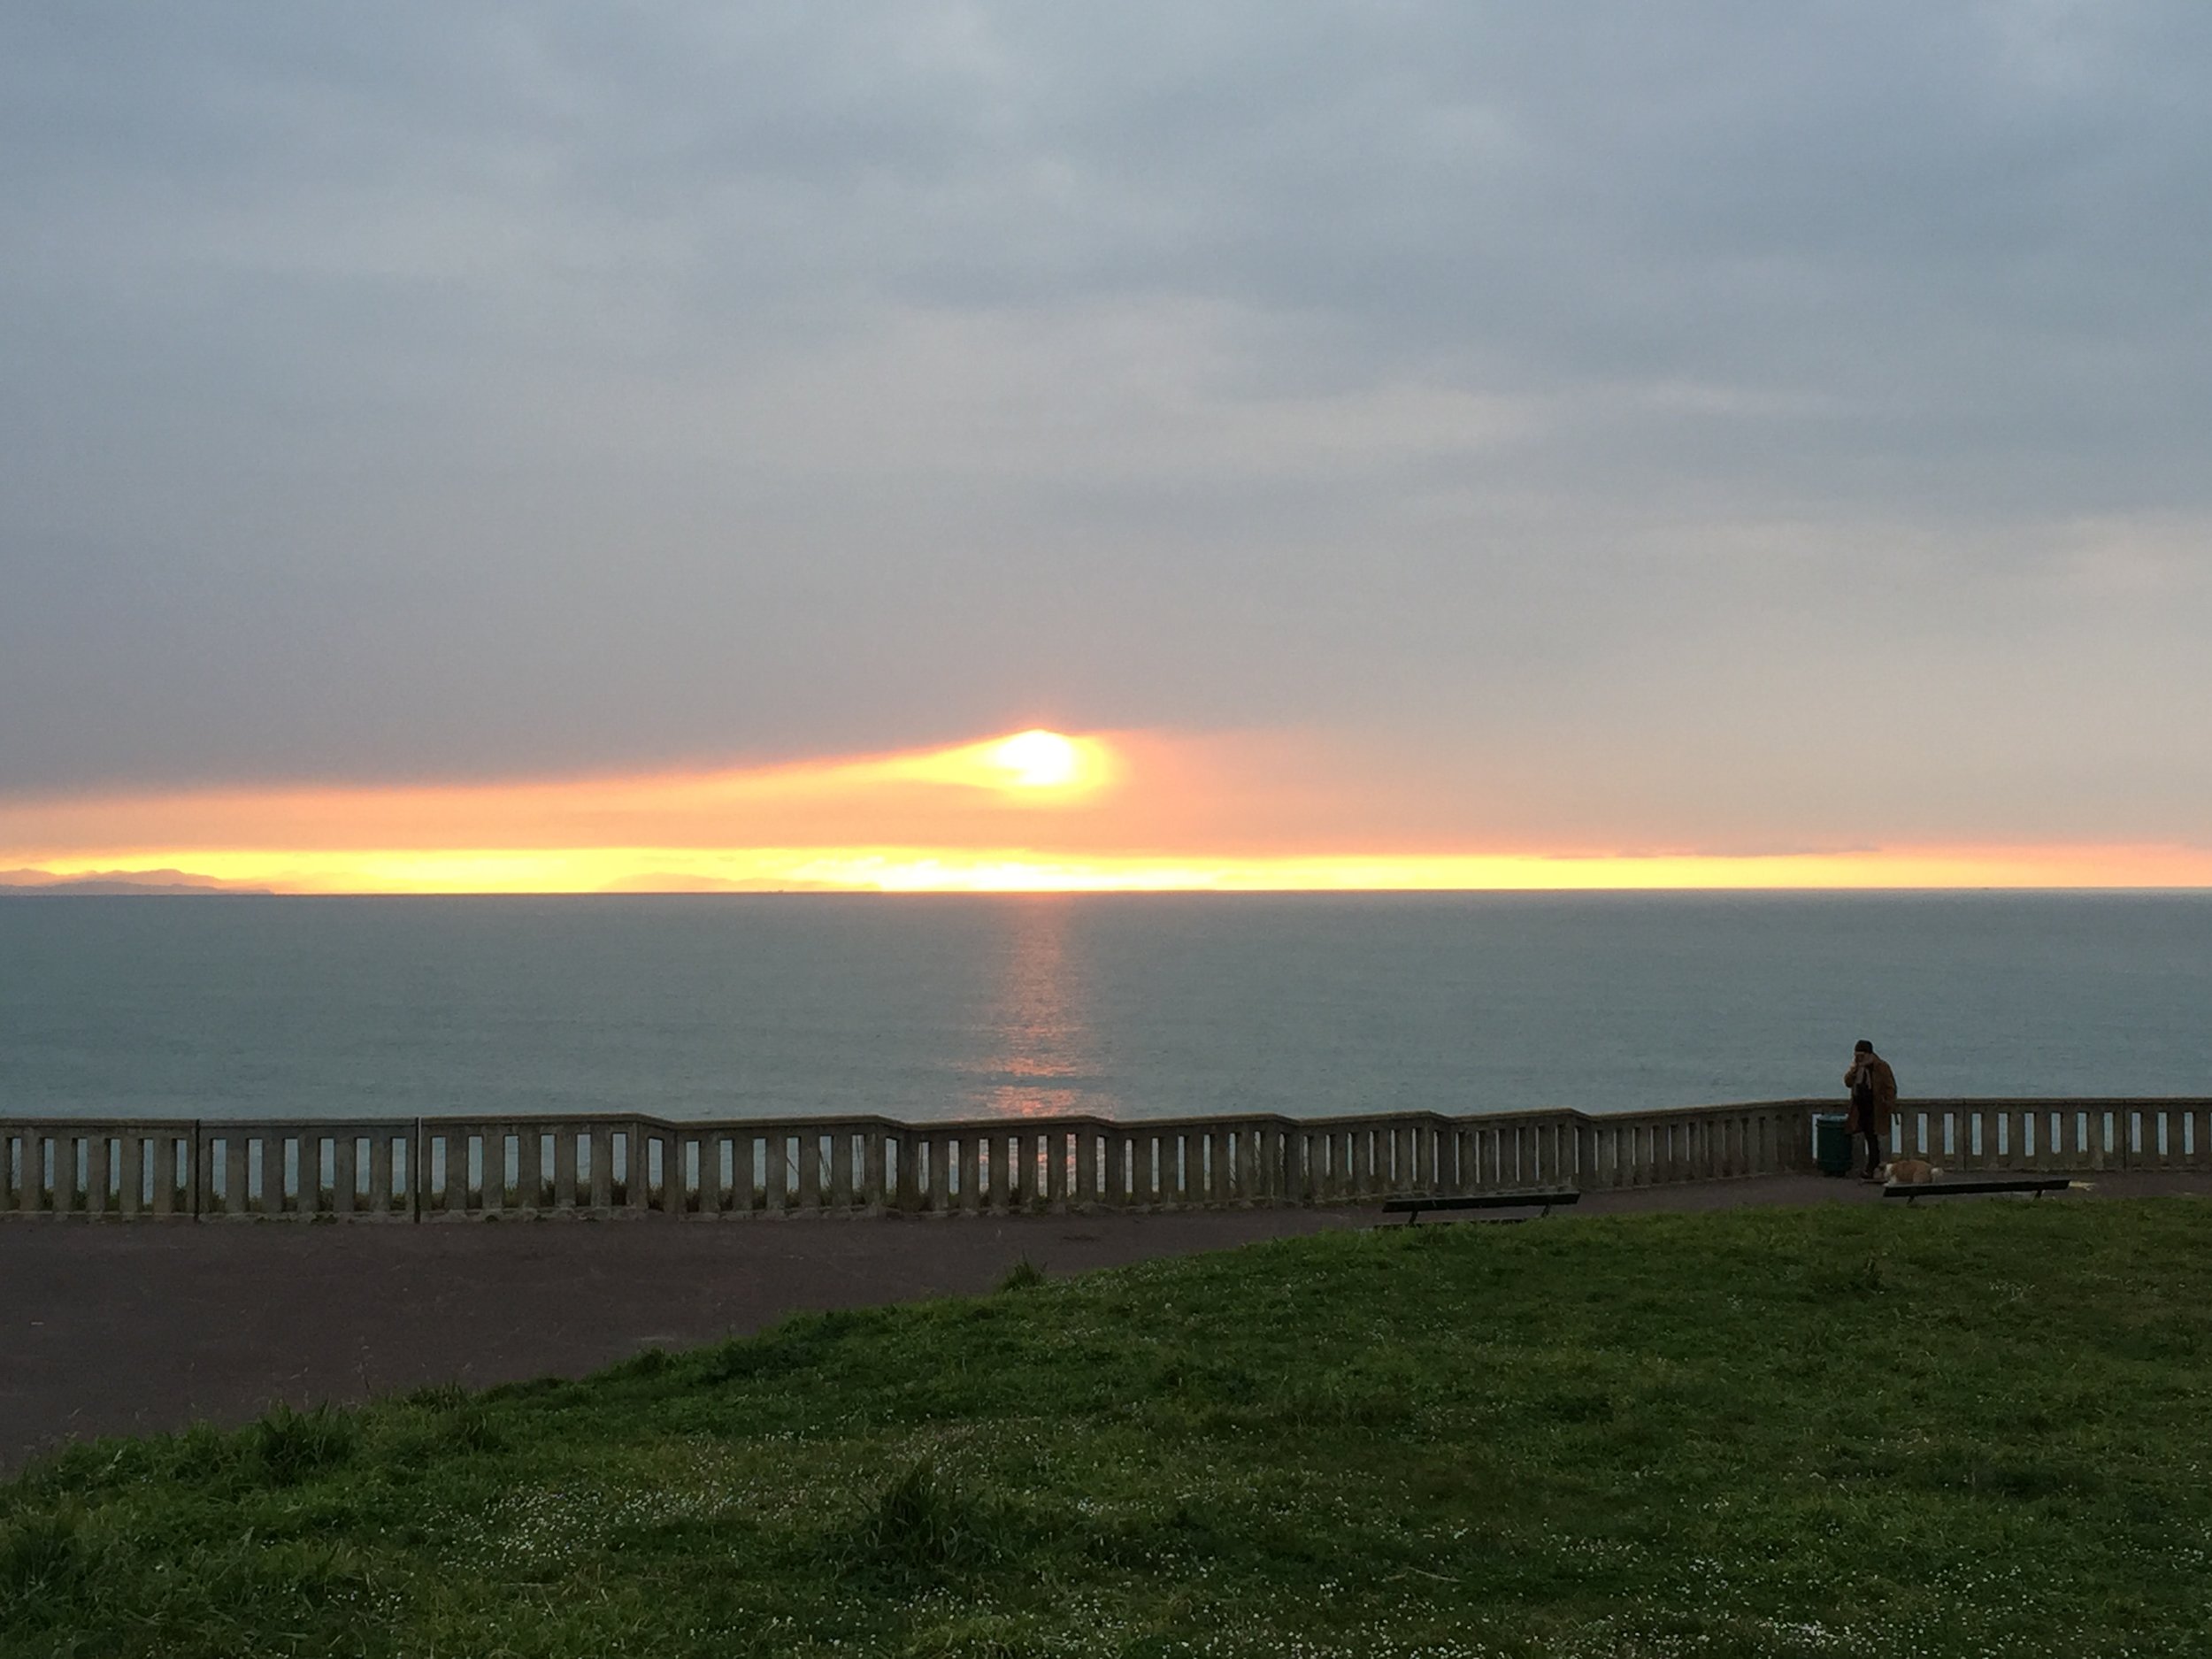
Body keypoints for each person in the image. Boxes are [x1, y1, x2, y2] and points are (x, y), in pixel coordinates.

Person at [1843, 1040, 1898, 1180]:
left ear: (1869, 1054)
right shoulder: (1857, 1068)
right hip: (1860, 1108)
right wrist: (1854, 1070)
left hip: (1875, 1108)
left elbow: (1890, 1087)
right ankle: (1869, 1166)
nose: (1859, 1058)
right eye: (1856, 1055)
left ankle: (1873, 1167)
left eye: (1861, 1055)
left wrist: (1887, 1103)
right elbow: (1848, 1082)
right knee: (1864, 1136)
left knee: (1874, 1138)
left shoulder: (1881, 1067)